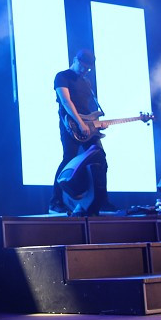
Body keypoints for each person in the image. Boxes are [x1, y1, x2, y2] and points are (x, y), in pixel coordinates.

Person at [49, 49, 108, 215]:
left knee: (100, 159)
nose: (84, 71)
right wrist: (80, 122)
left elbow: (88, 108)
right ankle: (56, 202)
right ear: (75, 60)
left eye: (87, 69)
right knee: (69, 159)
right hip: (70, 124)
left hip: (88, 125)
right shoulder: (62, 76)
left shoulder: (86, 82)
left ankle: (101, 200)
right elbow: (66, 101)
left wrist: (96, 124)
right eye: (82, 67)